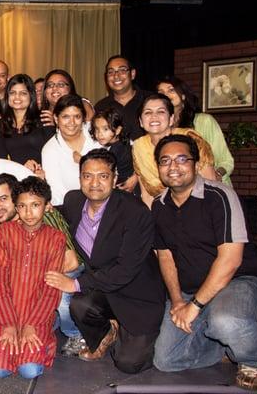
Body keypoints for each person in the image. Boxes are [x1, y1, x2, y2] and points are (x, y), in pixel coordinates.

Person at [151, 135, 257, 391]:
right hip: (191, 289)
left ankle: (252, 359)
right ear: (158, 168)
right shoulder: (159, 205)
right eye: (165, 160)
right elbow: (165, 256)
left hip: (240, 281)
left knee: (227, 320)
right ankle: (226, 345)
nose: (173, 166)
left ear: (195, 164)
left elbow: (231, 260)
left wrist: (194, 306)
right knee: (165, 359)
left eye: (182, 159)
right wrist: (178, 301)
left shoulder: (220, 195)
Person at [49, 148, 166, 374]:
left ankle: (159, 333)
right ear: (80, 178)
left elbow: (125, 270)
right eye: (87, 175)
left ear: (114, 179)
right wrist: (41, 205)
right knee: (79, 305)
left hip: (137, 294)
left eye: (103, 176)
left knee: (129, 363)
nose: (94, 183)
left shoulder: (135, 212)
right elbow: (56, 213)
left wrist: (74, 284)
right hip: (104, 289)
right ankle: (107, 331)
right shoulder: (73, 201)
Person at [0, 173, 85, 357]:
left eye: (3, 199)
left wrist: (33, 280)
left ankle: (75, 334)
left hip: (67, 271)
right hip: (34, 278)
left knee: (59, 294)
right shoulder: (3, 230)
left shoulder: (47, 218)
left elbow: (71, 262)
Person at [132, 93, 216, 208]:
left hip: (200, 206)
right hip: (163, 210)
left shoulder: (189, 138)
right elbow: (147, 194)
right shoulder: (139, 146)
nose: (154, 116)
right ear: (141, 121)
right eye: (148, 112)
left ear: (171, 119)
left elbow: (210, 182)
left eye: (160, 112)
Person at [156, 76, 234, 186]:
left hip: (212, 188)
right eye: (161, 92)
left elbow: (226, 161)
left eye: (171, 90)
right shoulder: (160, 127)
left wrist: (217, 175)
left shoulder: (204, 121)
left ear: (183, 95)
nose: (166, 95)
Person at [41, 94, 101, 206]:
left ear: (83, 118)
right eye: (65, 117)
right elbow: (57, 194)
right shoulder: (50, 150)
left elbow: (122, 144)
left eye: (77, 116)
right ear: (55, 118)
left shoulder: (97, 131)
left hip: (110, 198)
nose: (72, 122)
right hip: (74, 209)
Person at [0, 73, 55, 169]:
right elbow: (2, 160)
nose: (17, 97)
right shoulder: (1, 124)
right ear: (7, 96)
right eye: (12, 93)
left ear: (31, 96)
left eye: (23, 93)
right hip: (17, 177)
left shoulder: (44, 119)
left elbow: (54, 155)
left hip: (43, 175)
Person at [94, 55, 152, 141]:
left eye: (122, 70)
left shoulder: (150, 100)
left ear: (132, 74)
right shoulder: (101, 106)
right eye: (111, 72)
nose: (116, 76)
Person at [90, 108, 137, 192]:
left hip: (124, 187)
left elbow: (103, 168)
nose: (100, 134)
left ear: (118, 130)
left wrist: (80, 159)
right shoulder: (124, 143)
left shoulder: (116, 149)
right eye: (97, 129)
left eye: (105, 129)